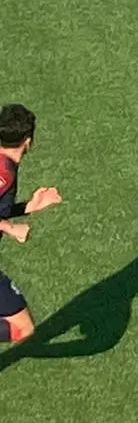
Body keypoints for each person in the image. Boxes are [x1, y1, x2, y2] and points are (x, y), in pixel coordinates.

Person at [0, 103, 64, 346]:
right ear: (28, 141)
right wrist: (11, 228)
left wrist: (29, 206)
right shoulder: (4, 172)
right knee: (22, 328)